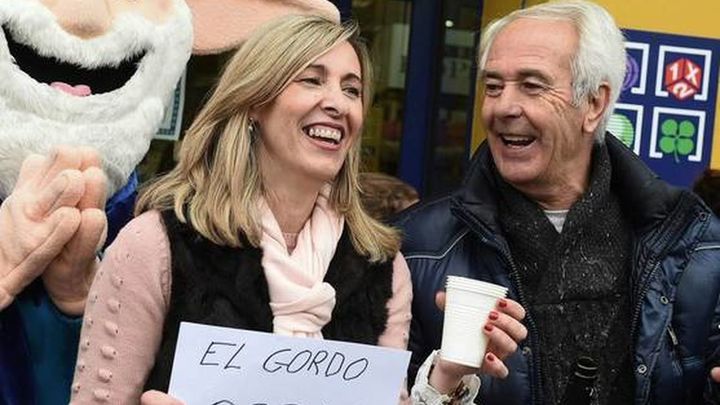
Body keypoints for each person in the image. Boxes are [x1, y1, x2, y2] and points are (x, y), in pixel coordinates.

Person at [70, 15, 524, 405]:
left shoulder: (381, 266)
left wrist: (448, 375)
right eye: (311, 79)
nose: (338, 103)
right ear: (254, 101)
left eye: (352, 89)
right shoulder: (157, 245)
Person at [397, 1, 720, 404]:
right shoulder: (417, 247)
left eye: (532, 86)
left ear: (594, 104)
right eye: (493, 86)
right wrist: (444, 381)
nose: (503, 107)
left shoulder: (693, 245)